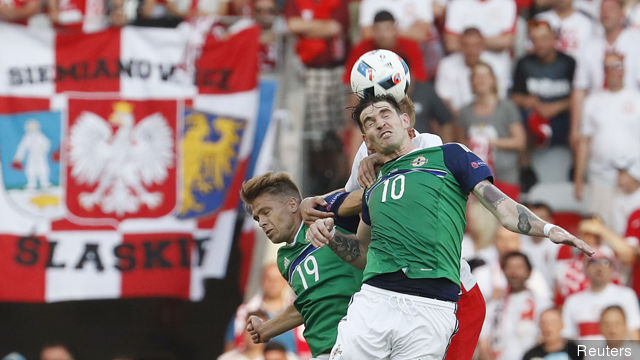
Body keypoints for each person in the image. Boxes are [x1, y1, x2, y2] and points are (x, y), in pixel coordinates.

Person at [307, 94, 593, 359]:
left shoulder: (449, 155)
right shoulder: (372, 187)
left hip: (431, 304)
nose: (379, 122)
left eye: (385, 113)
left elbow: (504, 210)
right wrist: (332, 237)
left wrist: (547, 229)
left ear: (406, 121)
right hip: (375, 298)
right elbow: (363, 253)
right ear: (367, 142)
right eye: (369, 122)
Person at [240, 171, 363, 360]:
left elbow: (368, 193)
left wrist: (316, 199)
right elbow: (308, 302)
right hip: (322, 350)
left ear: (291, 204)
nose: (262, 223)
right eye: (257, 218)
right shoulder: (284, 259)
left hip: (358, 339)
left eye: (266, 212)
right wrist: (266, 329)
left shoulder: (325, 213)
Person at [573, 52, 640, 226]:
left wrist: (635, 173)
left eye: (616, 66)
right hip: (600, 175)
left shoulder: (636, 99)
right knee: (599, 227)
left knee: (630, 229)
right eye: (607, 67)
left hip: (633, 178)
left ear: (624, 69)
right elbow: (584, 142)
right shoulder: (592, 102)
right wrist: (579, 178)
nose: (612, 71)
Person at [458, 62, 526, 201]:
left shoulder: (507, 107)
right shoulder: (465, 112)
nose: (481, 79)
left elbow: (520, 141)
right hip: (476, 180)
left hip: (506, 177)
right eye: (476, 76)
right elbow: (460, 145)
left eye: (485, 75)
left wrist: (487, 142)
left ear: (493, 80)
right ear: (471, 82)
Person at [512, 19, 575, 149]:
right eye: (534, 39)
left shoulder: (569, 63)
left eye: (544, 38)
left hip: (563, 117)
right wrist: (527, 101)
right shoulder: (524, 63)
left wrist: (555, 107)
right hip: (533, 117)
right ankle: (526, 167)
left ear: (554, 38)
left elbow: (580, 96)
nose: (539, 44)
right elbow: (514, 97)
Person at [479, 252, 551, 360]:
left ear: (529, 272)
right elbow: (483, 343)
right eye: (509, 267)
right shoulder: (494, 306)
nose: (514, 273)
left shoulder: (542, 304)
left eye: (519, 267)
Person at [562, 251, 640, 340]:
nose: (599, 267)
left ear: (612, 268)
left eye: (605, 262)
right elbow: (568, 338)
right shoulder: (572, 301)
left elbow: (634, 335)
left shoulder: (626, 295)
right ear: (585, 268)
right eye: (593, 262)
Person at [225, 263, 298, 354]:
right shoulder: (244, 312)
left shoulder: (298, 310)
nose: (273, 283)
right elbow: (231, 344)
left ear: (286, 282)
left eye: (277, 279)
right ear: (262, 280)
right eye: (269, 278)